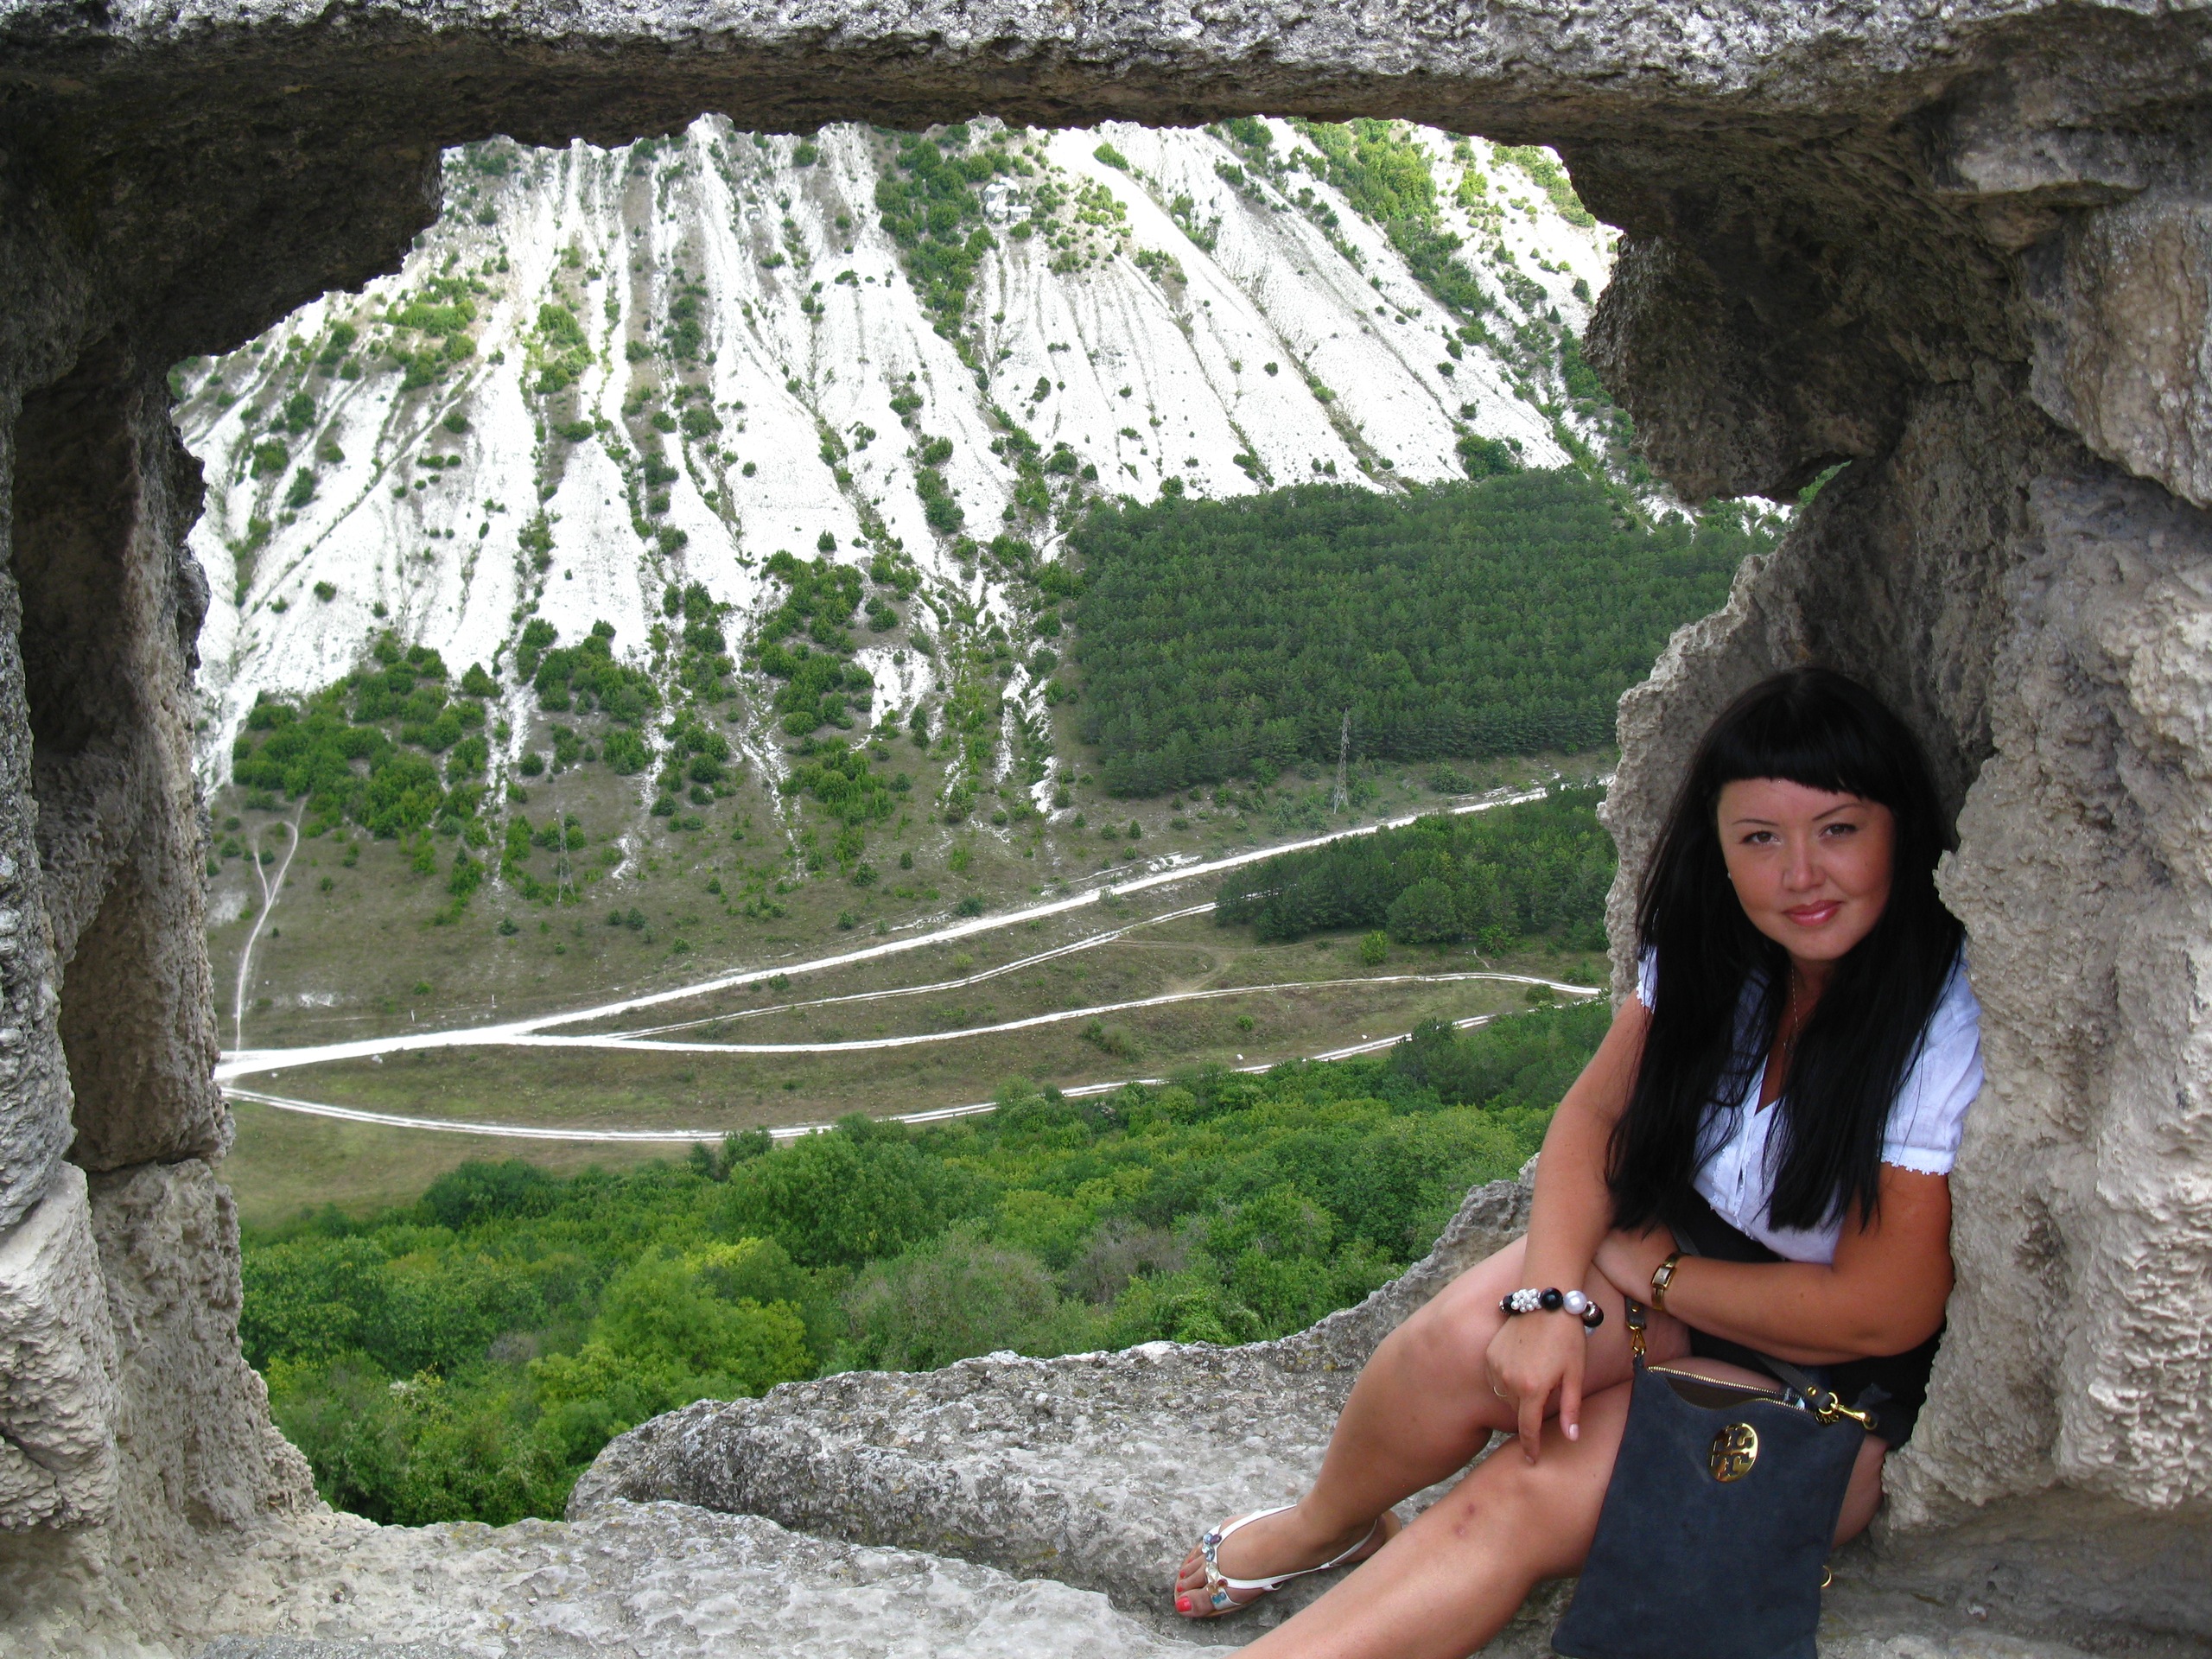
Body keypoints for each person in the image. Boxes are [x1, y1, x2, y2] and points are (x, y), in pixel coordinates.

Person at [1173, 667, 1983, 1659]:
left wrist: (1660, 1274)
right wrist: (1550, 1304)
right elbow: (1595, 1119)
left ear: (1900, 830)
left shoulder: (1937, 1021)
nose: (1801, 874)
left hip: (1829, 1378)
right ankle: (1325, 1527)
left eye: (1839, 830)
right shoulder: (1723, 955)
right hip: (1679, 1275)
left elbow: (1883, 1310)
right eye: (1760, 839)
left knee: (1510, 1501)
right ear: (1720, 851)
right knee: (1454, 1348)